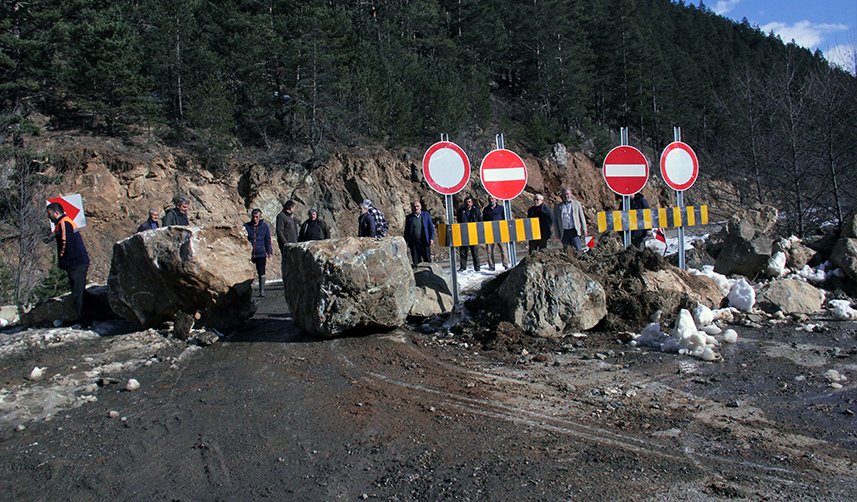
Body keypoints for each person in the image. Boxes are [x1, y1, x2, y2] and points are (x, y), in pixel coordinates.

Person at [46, 202, 90, 325]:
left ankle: (85, 321)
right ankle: (102, 310)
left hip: (76, 262)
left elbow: (66, 243)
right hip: (76, 262)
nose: (49, 216)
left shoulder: (64, 223)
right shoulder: (62, 223)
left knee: (78, 293)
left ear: (56, 212)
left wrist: (63, 260)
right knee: (80, 291)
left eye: (49, 213)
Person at [244, 209, 273, 297]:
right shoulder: (246, 226)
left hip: (261, 253)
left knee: (261, 271)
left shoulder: (264, 227)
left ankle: (262, 291)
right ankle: (246, 292)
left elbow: (268, 239)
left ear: (260, 217)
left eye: (257, 217)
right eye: (254, 216)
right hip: (249, 254)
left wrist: (269, 251)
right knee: (247, 274)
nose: (255, 218)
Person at [403, 200, 434, 265]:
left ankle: (429, 273)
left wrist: (431, 238)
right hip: (414, 242)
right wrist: (405, 242)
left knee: (427, 260)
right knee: (416, 261)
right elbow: (407, 231)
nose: (416, 208)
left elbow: (431, 227)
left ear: (420, 207)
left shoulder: (426, 215)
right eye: (414, 206)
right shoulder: (409, 218)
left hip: (424, 241)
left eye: (417, 206)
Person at [482, 196, 509, 270]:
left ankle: (506, 264)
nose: (491, 200)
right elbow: (484, 221)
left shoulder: (501, 208)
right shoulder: (486, 210)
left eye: (492, 199)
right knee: (489, 250)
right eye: (490, 199)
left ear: (496, 199)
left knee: (503, 249)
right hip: (490, 232)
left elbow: (504, 219)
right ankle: (491, 266)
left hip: (500, 231)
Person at [456, 196, 481, 271]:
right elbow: (459, 220)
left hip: (474, 234)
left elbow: (480, 221)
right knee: (463, 252)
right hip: (464, 234)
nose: (468, 204)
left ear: (472, 203)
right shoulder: (460, 211)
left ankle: (477, 268)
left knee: (475, 252)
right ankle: (463, 267)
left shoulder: (476, 211)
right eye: (466, 202)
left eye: (469, 202)